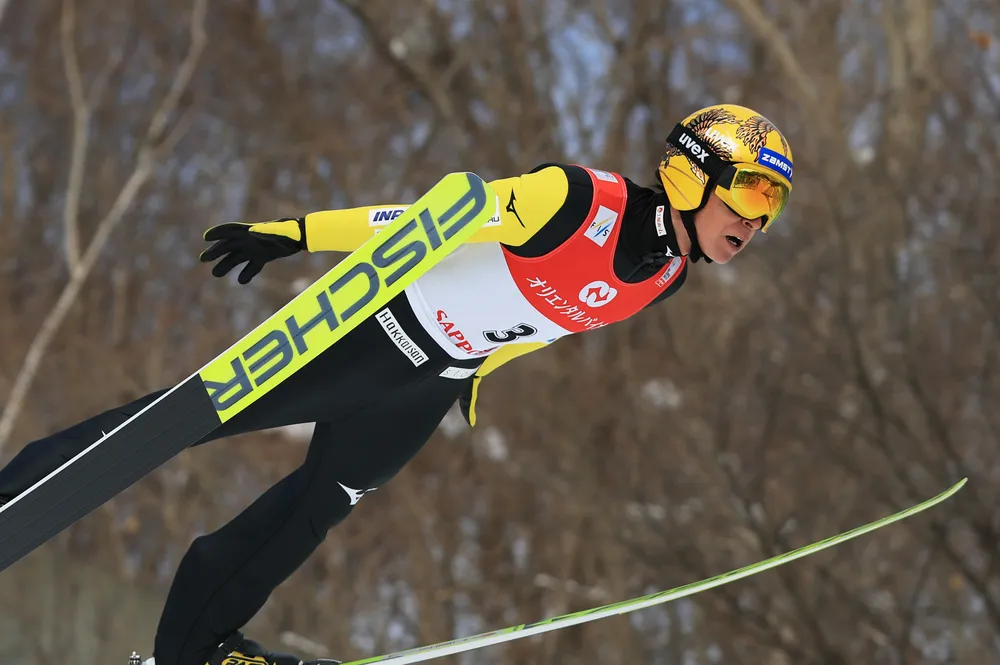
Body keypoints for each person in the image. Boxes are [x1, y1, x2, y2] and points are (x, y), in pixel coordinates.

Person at [0, 104, 793, 665]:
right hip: (371, 335)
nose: (756, 223)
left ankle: (195, 649)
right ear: (692, 174)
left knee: (310, 511)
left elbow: (544, 320)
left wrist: (477, 372)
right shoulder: (580, 199)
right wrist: (297, 234)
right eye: (753, 192)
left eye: (772, 205)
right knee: (172, 424)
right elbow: (427, 221)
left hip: (426, 383)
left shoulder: (664, 277)